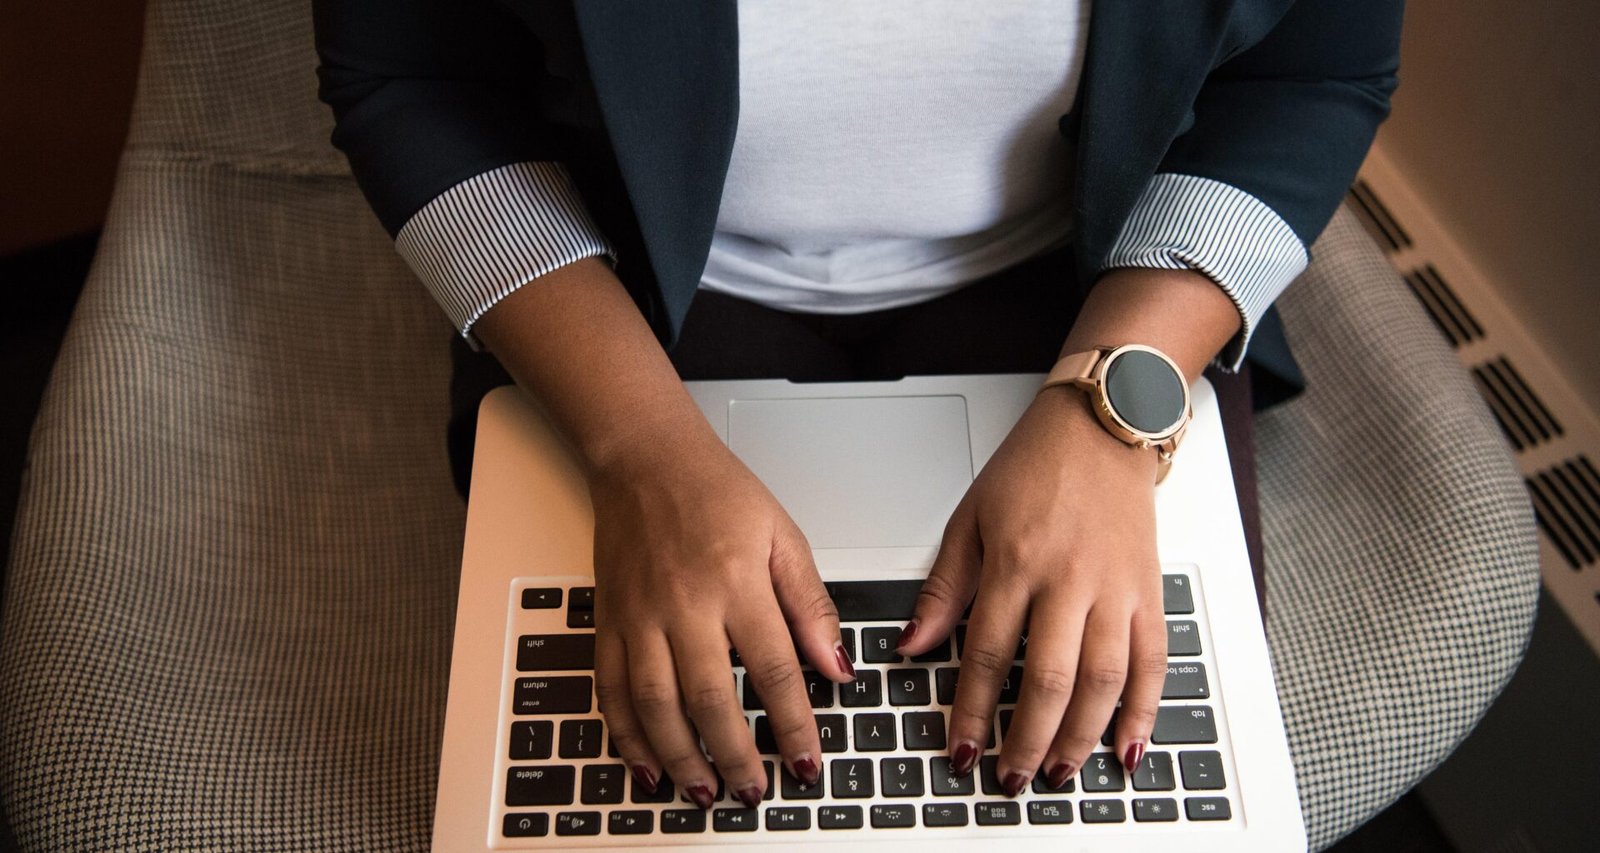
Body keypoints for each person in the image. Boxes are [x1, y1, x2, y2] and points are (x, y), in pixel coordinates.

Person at [314, 0, 1402, 811]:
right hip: (628, 278)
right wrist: (639, 444)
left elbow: (1309, 77)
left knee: (1108, 794)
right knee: (636, 781)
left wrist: (1109, 412)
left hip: (1095, 265)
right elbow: (411, 76)